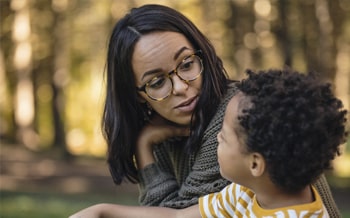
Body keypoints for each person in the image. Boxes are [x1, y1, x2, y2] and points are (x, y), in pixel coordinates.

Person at [99, 3, 340, 216]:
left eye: (186, 64)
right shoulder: (167, 129)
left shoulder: (238, 120)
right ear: (136, 95)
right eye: (157, 82)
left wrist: (143, 147)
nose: (181, 87)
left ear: (202, 54)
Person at [69, 69, 348, 218]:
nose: (216, 137)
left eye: (223, 137)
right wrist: (103, 211)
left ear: (255, 163)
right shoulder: (247, 194)